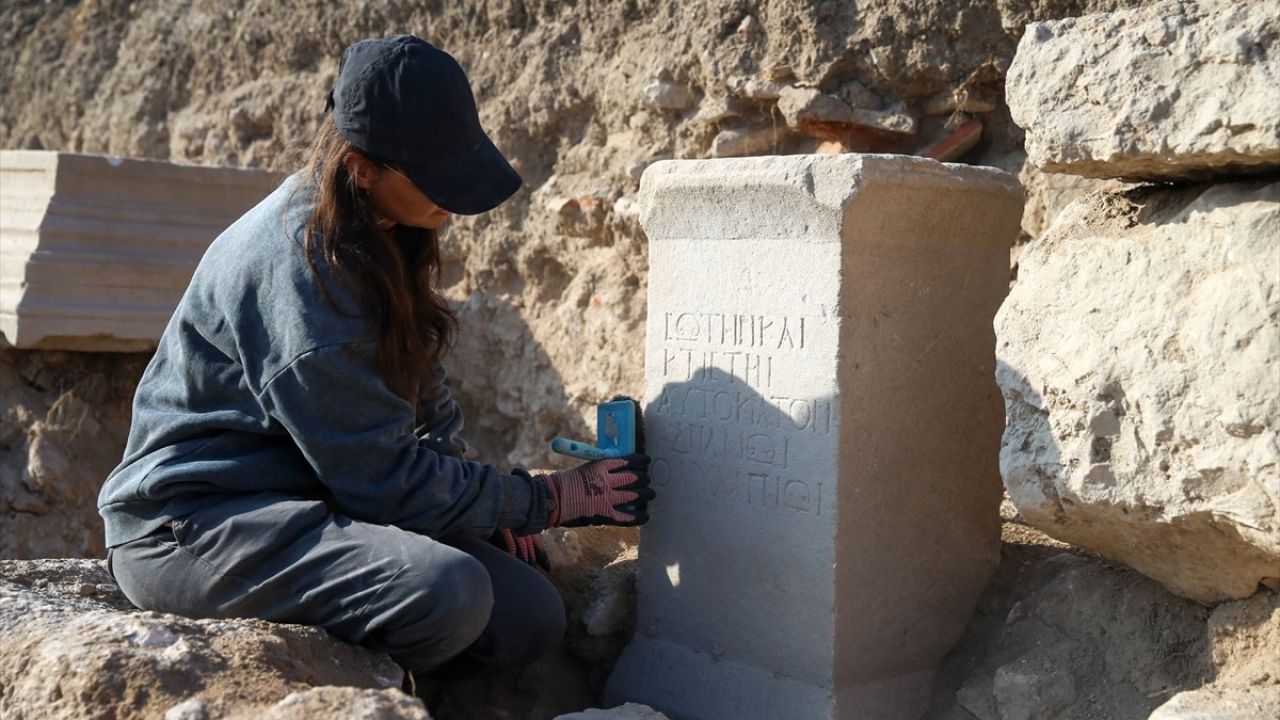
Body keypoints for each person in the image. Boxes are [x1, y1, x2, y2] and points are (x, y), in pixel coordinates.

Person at [97, 34, 654, 682]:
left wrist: (479, 501)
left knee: (527, 614)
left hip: (315, 490)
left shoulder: (377, 220)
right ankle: (359, 690)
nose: (451, 202)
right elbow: (387, 483)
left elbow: (415, 386)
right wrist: (542, 500)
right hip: (199, 522)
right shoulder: (303, 277)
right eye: (437, 181)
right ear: (363, 166)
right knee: (451, 591)